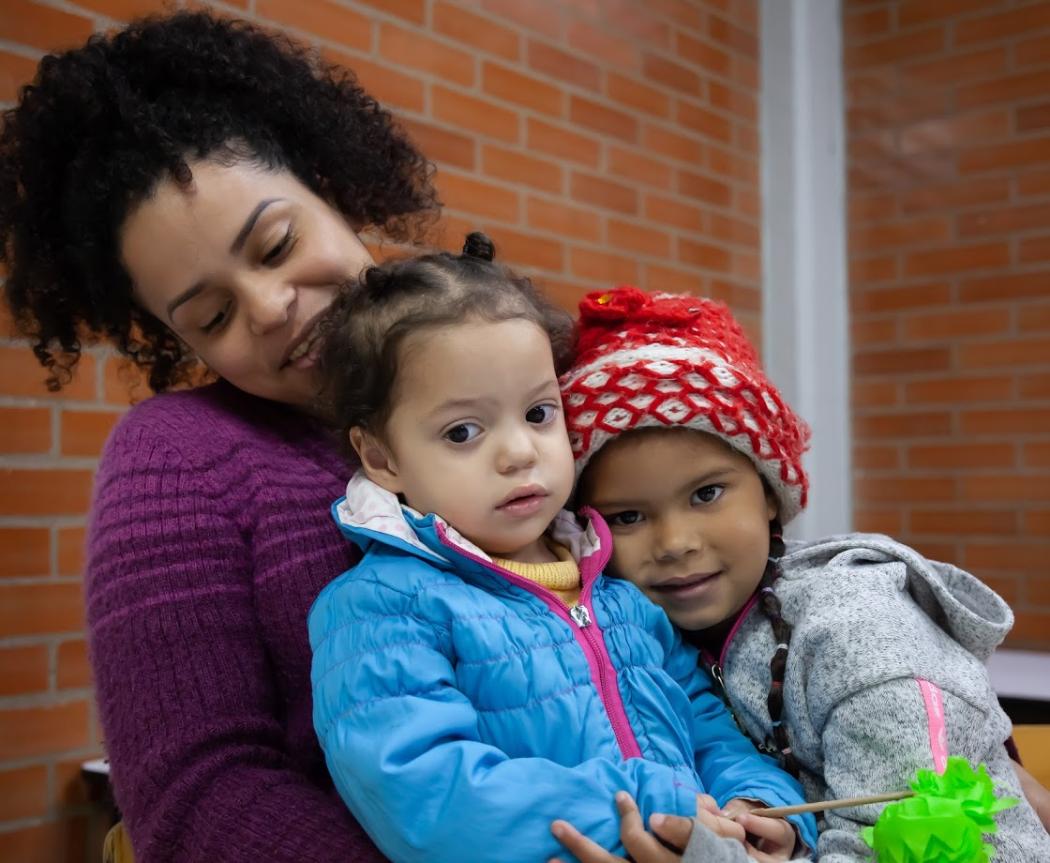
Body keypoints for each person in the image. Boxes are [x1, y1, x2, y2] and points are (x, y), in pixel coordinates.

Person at [0, 11, 437, 862]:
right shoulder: (178, 459)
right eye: (212, 314)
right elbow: (194, 797)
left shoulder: (497, 357)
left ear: (331, 187)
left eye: (276, 243)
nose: (271, 307)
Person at [308, 236, 817, 863]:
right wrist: (644, 807)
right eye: (463, 431)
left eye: (539, 413)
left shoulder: (619, 595)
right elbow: (425, 795)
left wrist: (758, 805)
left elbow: (710, 729)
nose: (519, 451)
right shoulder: (382, 609)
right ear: (382, 457)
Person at [551, 286, 1050, 862]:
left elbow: (928, 848)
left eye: (707, 493)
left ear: (769, 494)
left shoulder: (863, 638)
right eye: (628, 516)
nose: (676, 544)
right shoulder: (641, 638)